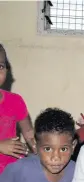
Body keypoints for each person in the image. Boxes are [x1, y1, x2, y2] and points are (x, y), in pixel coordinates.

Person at [0, 44, 36, 174]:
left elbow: (28, 132)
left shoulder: (15, 101)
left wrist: (39, 150)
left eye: (0, 66)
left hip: (12, 170)